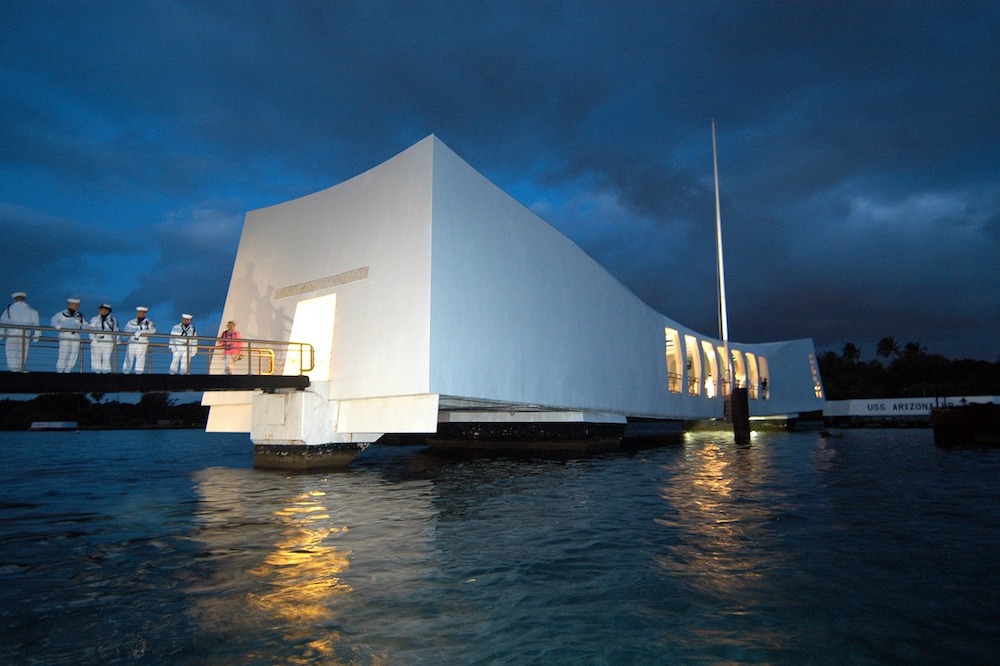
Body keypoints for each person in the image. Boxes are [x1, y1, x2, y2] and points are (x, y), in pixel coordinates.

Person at [1, 291, 41, 372]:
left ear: (15, 299)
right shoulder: (32, 311)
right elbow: (37, 325)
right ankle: (21, 368)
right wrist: (37, 335)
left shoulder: (9, 310)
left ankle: (14, 369)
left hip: (12, 334)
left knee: (11, 352)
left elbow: (2, 323)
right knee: (23, 352)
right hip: (25, 335)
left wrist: (1, 334)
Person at [51, 298, 86, 372]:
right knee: (63, 353)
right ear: (69, 304)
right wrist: (60, 327)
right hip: (65, 334)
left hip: (76, 335)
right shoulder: (61, 314)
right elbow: (53, 322)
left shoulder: (80, 315)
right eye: (75, 304)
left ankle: (68, 370)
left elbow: (85, 325)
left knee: (74, 354)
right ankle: (60, 370)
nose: (77, 306)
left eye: (77, 305)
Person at [122, 306, 156, 374]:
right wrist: (127, 334)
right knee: (128, 358)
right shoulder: (131, 322)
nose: (139, 314)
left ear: (144, 313)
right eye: (138, 312)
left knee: (140, 359)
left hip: (142, 342)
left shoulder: (149, 322)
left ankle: (138, 373)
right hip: (132, 341)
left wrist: (141, 332)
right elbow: (125, 331)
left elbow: (153, 330)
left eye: (141, 312)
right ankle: (126, 372)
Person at [88, 303, 119, 373]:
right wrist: (93, 338)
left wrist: (116, 340)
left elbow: (116, 330)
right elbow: (90, 329)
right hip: (97, 339)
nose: (100, 310)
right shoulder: (95, 319)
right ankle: (97, 372)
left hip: (108, 339)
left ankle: (106, 372)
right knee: (96, 358)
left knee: (106, 358)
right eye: (100, 309)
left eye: (102, 309)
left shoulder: (113, 320)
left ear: (107, 311)